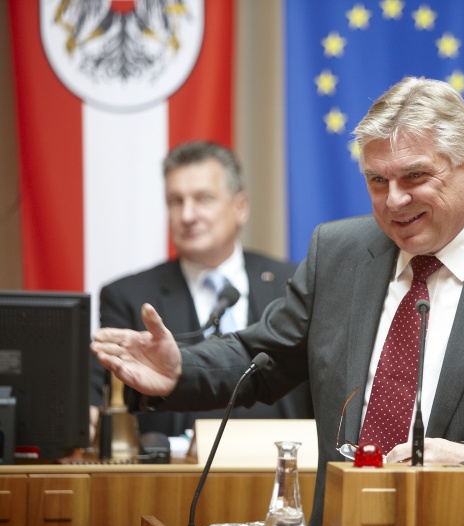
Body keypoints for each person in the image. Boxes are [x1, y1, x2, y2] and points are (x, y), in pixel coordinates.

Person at [92, 77, 464, 526]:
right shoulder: (339, 252)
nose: (394, 201)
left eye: (415, 176)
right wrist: (181, 368)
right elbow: (263, 357)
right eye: (377, 181)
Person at [89, 141, 314, 440]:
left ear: (240, 207)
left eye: (203, 199)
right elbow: (104, 403)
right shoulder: (128, 297)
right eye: (176, 201)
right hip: (175, 478)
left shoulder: (294, 283)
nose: (187, 215)